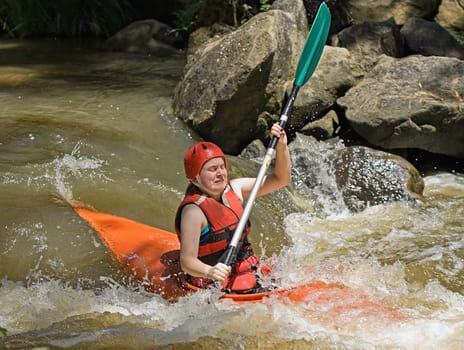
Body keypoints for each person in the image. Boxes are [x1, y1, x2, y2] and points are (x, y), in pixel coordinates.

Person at [174, 123, 291, 293]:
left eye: (222, 167)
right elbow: (187, 262)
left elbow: (282, 179)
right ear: (195, 178)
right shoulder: (193, 212)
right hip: (215, 283)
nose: (220, 173)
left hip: (249, 271)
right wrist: (210, 271)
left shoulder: (235, 189)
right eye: (212, 169)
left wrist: (281, 147)